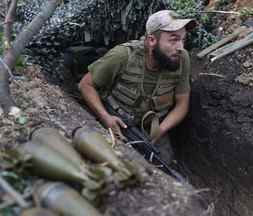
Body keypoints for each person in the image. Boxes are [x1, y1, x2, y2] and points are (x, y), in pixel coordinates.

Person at [79, 10, 197, 163]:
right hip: (115, 120)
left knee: (163, 165)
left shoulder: (182, 59)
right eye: (173, 40)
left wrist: (160, 130)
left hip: (150, 129)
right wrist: (106, 117)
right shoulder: (122, 55)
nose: (180, 47)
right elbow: (85, 85)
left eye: (183, 39)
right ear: (152, 40)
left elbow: (182, 104)